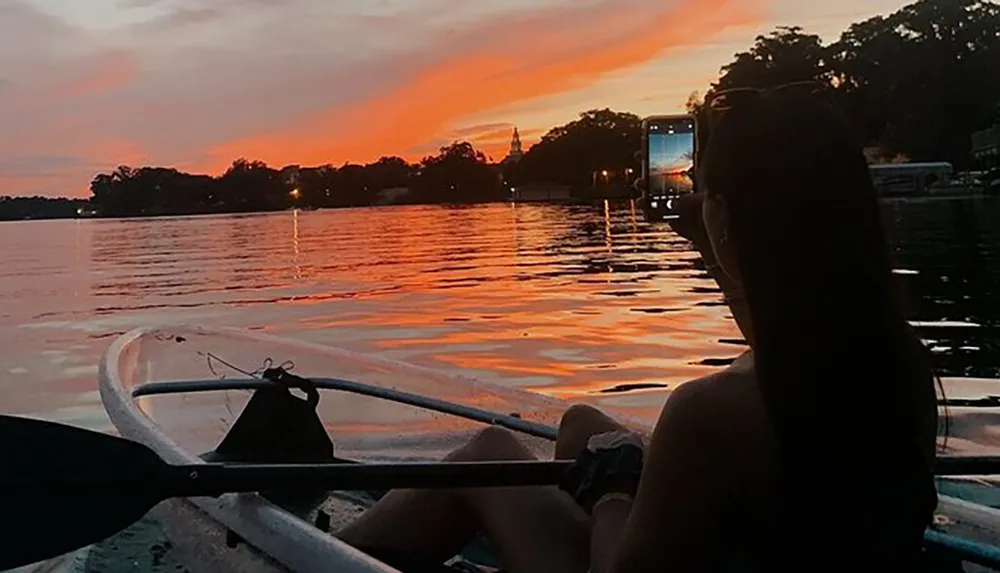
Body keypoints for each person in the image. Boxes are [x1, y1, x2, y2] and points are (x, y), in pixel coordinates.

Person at [336, 87, 940, 572]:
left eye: (700, 190)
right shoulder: (899, 363)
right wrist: (714, 243)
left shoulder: (715, 411)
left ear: (725, 217)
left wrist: (616, 489)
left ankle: (300, 556)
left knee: (488, 456)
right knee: (581, 426)